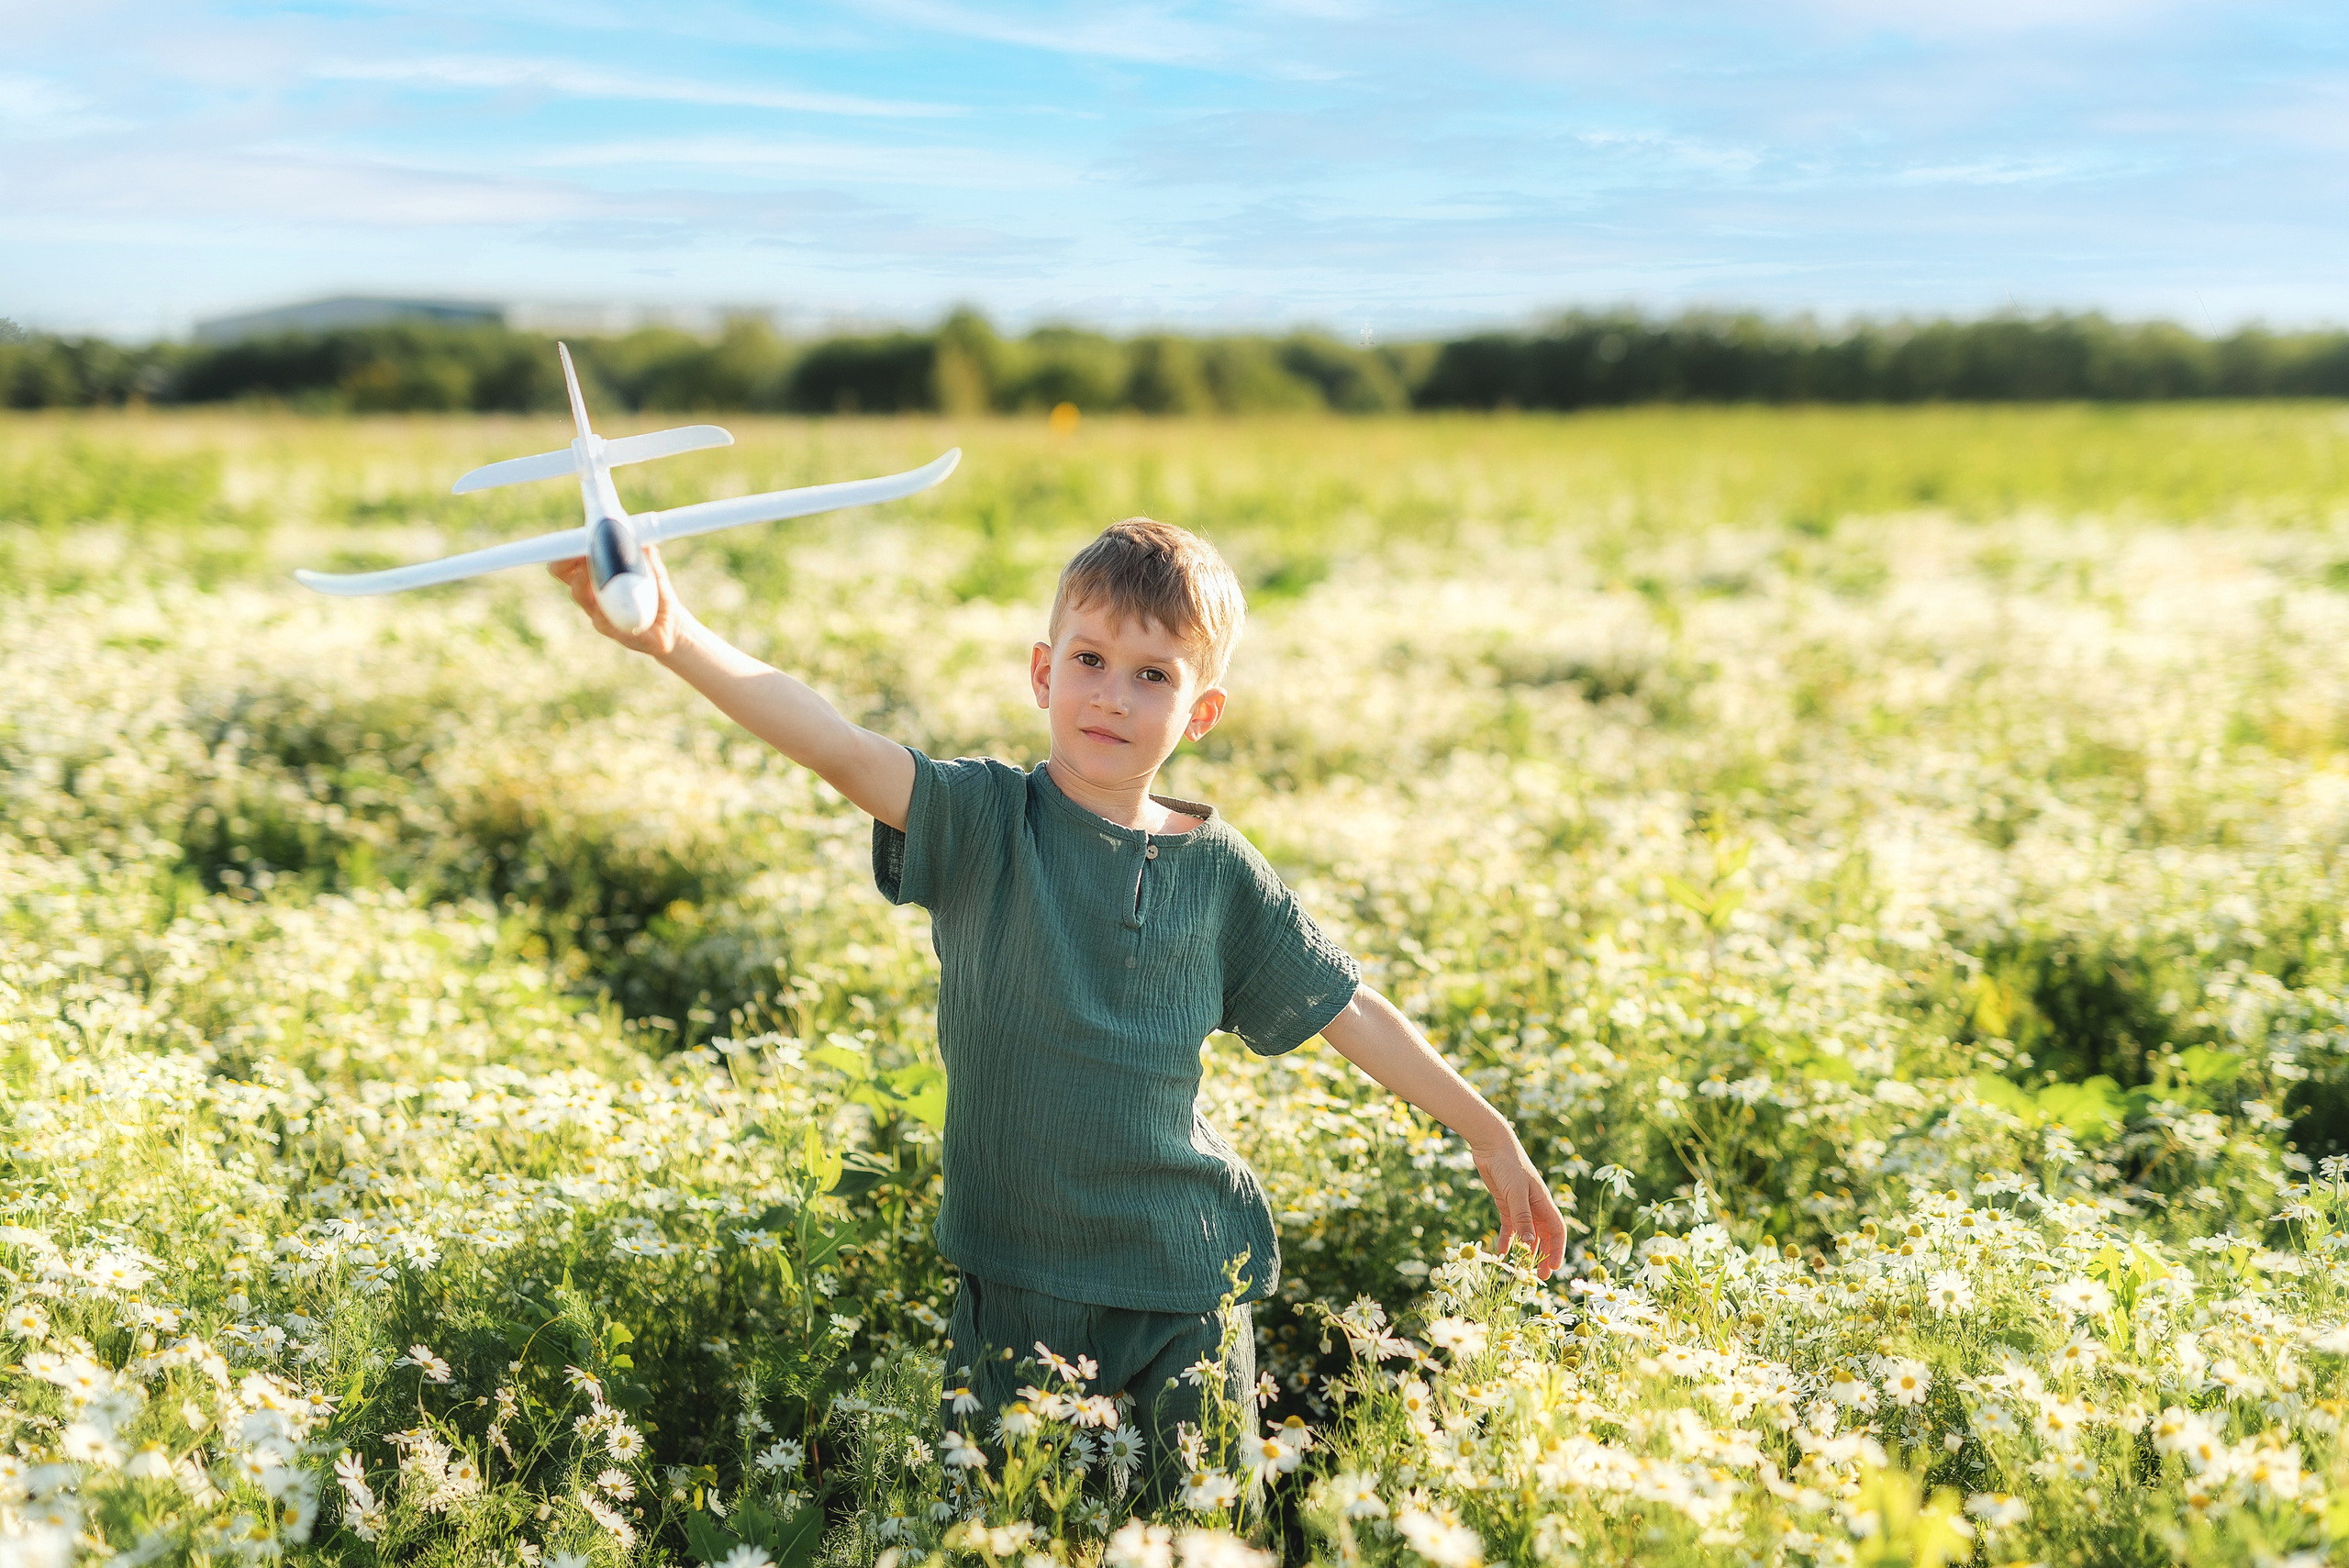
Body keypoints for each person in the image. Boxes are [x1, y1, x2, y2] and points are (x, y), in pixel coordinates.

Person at [549, 517, 1566, 1499]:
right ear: (1043, 671)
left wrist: (1484, 1124)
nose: (1112, 697)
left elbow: (1346, 1003)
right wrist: (670, 635)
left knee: (1199, 1527)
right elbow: (840, 747)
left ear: (1200, 710)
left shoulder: (1221, 871)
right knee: (1000, 1522)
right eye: (1088, 660)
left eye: (1152, 674)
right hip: (1016, 1270)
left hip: (1185, 1279)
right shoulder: (985, 818)